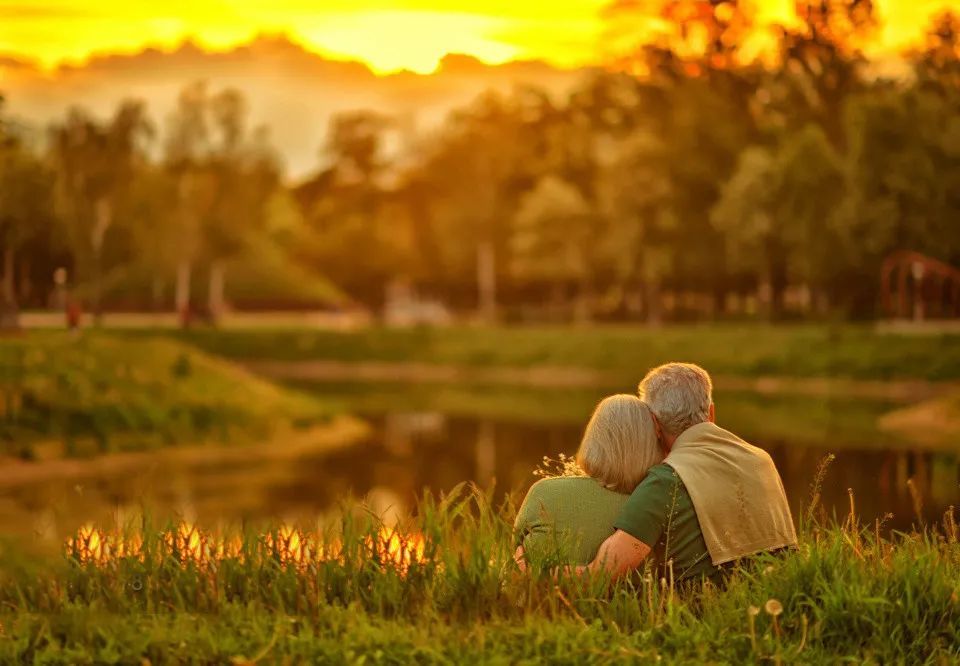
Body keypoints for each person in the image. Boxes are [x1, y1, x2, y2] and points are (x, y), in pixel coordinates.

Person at [582, 363, 797, 584]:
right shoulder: (761, 459)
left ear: (654, 424)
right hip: (776, 598)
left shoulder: (666, 480)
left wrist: (547, 571)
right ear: (711, 412)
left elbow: (601, 575)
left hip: (701, 612)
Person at [513, 394, 663, 568]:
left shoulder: (543, 490)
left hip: (534, 592)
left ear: (593, 439)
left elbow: (516, 548)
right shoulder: (654, 506)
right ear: (651, 445)